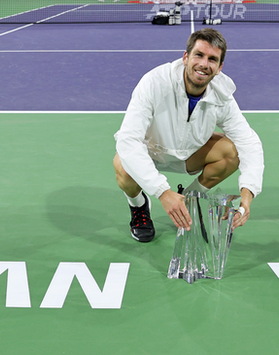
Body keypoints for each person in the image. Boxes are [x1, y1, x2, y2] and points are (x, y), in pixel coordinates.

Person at [113, 28, 264, 242]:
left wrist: (247, 195)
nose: (204, 64)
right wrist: (163, 192)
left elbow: (249, 142)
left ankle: (189, 201)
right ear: (186, 57)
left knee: (231, 152)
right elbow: (129, 140)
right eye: (199, 55)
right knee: (123, 164)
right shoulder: (154, 83)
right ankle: (139, 207)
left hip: (190, 155)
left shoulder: (222, 96)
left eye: (212, 59)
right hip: (151, 152)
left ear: (219, 68)